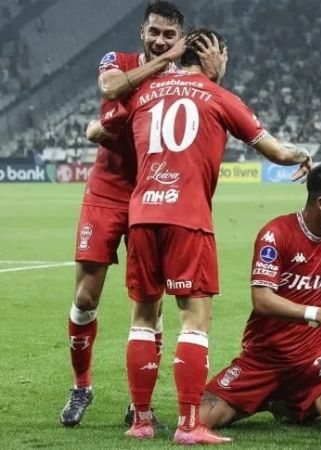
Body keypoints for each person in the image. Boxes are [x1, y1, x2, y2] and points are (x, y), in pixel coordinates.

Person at [97, 29, 313, 444]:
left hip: (141, 216)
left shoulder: (145, 90)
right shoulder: (219, 97)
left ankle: (141, 421)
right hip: (187, 219)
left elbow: (102, 126)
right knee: (194, 322)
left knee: (142, 320)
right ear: (215, 56)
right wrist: (303, 153)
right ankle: (188, 424)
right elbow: (278, 153)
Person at [60, 1, 198, 428]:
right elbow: (111, 88)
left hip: (153, 194)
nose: (160, 40)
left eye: (169, 36)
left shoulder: (183, 82)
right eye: (154, 32)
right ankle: (82, 386)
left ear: (180, 38)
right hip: (105, 192)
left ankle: (142, 402)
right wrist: (162, 63)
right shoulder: (117, 61)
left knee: (150, 303)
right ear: (142, 32)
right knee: (85, 298)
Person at [200, 163, 321, 434]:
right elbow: (262, 300)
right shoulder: (276, 234)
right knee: (200, 419)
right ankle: (272, 396)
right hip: (265, 356)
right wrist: (316, 314)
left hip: (313, 356)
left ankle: (286, 400)